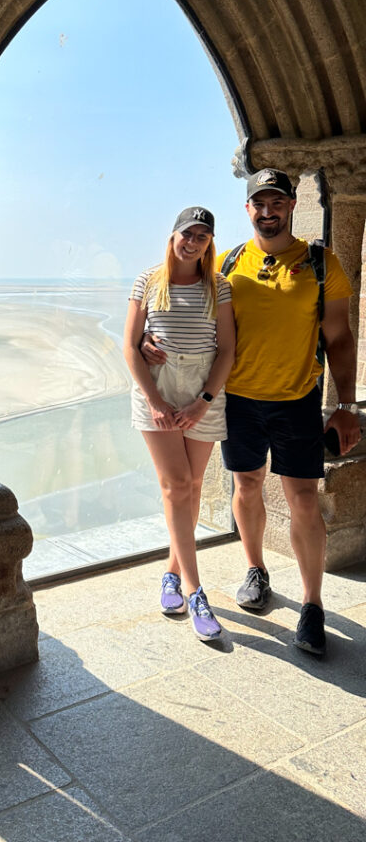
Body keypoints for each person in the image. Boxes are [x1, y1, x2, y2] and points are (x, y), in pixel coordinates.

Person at [142, 169, 360, 656]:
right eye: (259, 203)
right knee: (246, 485)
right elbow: (182, 309)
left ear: (291, 206)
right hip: (236, 399)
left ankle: (311, 605)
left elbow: (341, 339)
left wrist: (344, 406)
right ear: (247, 210)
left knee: (303, 499)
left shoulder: (323, 264)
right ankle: (256, 570)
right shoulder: (228, 262)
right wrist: (146, 339)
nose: (268, 211)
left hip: (297, 398)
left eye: (277, 202)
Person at [123, 206, 235, 641]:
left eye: (203, 236)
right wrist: (154, 401)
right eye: (187, 233)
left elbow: (226, 350)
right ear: (172, 237)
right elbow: (132, 347)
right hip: (159, 388)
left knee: (191, 486)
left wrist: (204, 401)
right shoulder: (148, 281)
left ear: (210, 244)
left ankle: (171, 573)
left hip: (204, 388)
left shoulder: (218, 287)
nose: (193, 242)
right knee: (175, 485)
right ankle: (195, 588)